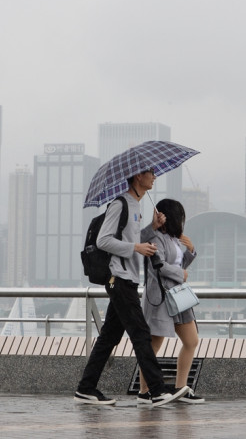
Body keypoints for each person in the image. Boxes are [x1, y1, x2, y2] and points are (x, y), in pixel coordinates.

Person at [74, 170, 190, 407]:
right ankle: (157, 390)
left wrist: (151, 227)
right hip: (119, 279)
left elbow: (135, 239)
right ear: (138, 177)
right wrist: (136, 248)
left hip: (127, 279)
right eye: (150, 173)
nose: (154, 177)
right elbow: (103, 241)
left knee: (109, 338)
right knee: (141, 335)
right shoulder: (120, 204)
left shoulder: (137, 206)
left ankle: (86, 388)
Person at [137, 198, 205, 404]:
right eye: (179, 216)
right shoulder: (154, 237)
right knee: (154, 346)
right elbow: (159, 266)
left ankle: (181, 388)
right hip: (161, 297)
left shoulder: (174, 238)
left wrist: (190, 252)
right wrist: (181, 273)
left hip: (178, 295)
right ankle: (144, 392)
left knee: (191, 341)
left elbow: (178, 264)